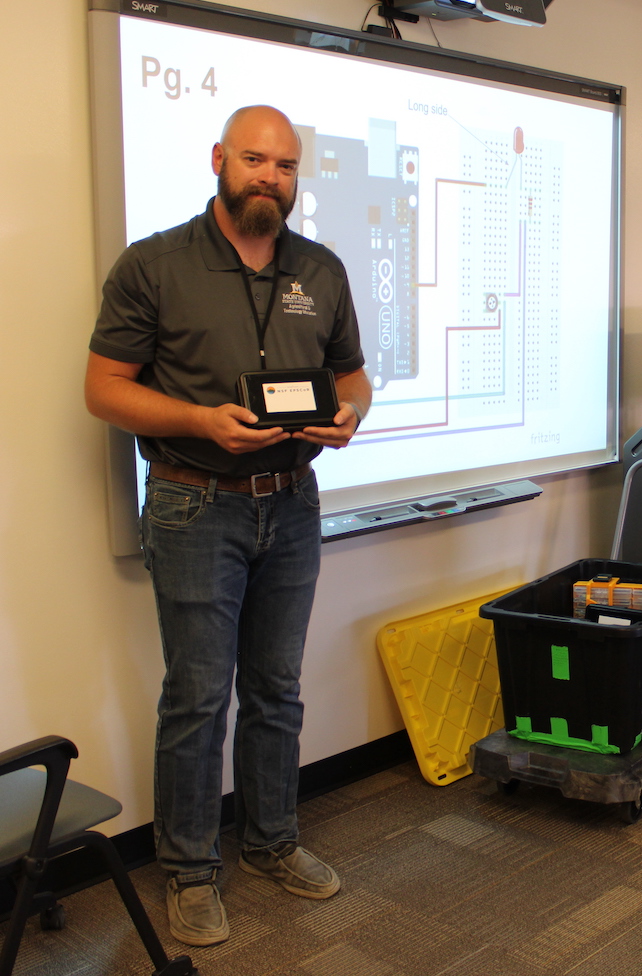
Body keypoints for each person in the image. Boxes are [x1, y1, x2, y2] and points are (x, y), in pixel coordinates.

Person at [85, 105, 372, 945]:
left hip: (291, 501)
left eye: (284, 167)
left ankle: (272, 842)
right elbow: (104, 389)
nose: (269, 179)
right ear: (219, 160)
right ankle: (188, 870)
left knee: (276, 690)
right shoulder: (154, 263)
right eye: (254, 161)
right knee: (198, 699)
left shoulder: (319, 268)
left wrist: (348, 416)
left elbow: (352, 380)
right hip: (192, 502)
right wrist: (200, 420)